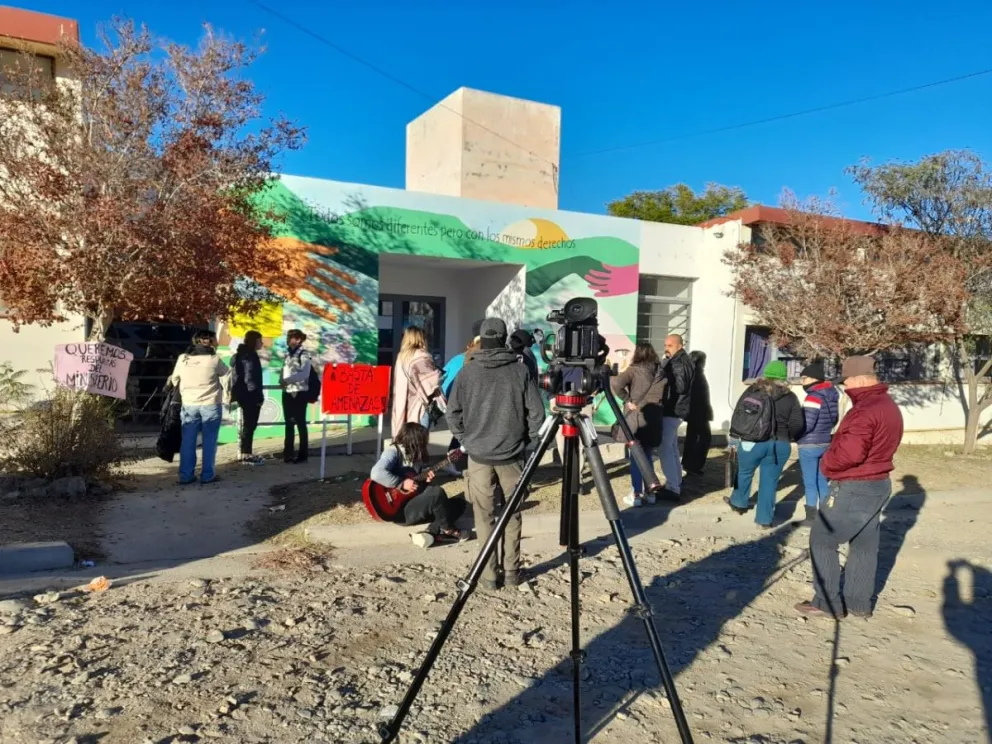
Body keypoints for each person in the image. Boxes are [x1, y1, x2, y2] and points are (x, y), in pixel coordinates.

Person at [796, 356, 903, 620]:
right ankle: (858, 602)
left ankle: (827, 603)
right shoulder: (888, 405)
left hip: (855, 485)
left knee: (822, 540)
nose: (844, 387)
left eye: (847, 381)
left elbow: (851, 454)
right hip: (879, 482)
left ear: (860, 379)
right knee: (864, 544)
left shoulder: (864, 410)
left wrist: (827, 464)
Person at [447, 317, 545, 590]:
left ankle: (489, 575)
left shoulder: (467, 372)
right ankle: (512, 572)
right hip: (512, 455)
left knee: (483, 517)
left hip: (478, 456)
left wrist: (465, 440)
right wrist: (528, 441)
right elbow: (537, 414)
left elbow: (452, 413)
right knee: (512, 513)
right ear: (503, 338)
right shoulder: (519, 371)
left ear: (481, 339)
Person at [726, 360, 804, 528]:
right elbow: (797, 423)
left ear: (765, 374)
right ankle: (764, 520)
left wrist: (735, 436)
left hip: (752, 442)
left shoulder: (753, 390)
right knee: (769, 482)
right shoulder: (790, 397)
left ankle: (738, 503)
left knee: (744, 472)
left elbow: (739, 413)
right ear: (784, 377)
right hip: (779, 444)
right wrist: (789, 436)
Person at [369, 422, 471, 547]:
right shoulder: (393, 452)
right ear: (415, 440)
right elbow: (376, 473)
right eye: (424, 439)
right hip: (400, 511)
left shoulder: (416, 456)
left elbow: (415, 489)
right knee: (436, 492)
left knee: (459, 504)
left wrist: (425, 480)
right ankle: (448, 530)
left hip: (413, 504)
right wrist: (400, 483)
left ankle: (431, 532)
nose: (426, 443)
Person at [169, 330, 230, 485]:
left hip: (189, 404)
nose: (217, 342)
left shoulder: (183, 359)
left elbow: (175, 379)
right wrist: (227, 396)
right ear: (207, 341)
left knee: (188, 441)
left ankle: (186, 475)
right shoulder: (214, 360)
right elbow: (227, 376)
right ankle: (207, 475)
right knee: (209, 441)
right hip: (211, 404)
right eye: (214, 339)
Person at [611, 342, 665, 507]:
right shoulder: (661, 371)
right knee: (647, 455)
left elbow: (616, 384)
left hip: (637, 417)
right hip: (655, 417)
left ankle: (636, 494)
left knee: (636, 456)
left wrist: (627, 400)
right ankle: (650, 493)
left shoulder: (634, 370)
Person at [796, 360, 840, 524]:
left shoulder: (812, 397)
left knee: (809, 482)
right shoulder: (831, 396)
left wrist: (796, 435)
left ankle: (811, 518)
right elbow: (834, 419)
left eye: (804, 378)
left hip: (809, 444)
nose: (802, 382)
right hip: (825, 442)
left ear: (814, 379)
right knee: (822, 479)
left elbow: (807, 424)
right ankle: (826, 515)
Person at [658, 334, 694, 500]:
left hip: (673, 409)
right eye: (666, 345)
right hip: (676, 409)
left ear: (680, 346)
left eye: (670, 345)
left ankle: (673, 488)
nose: (667, 348)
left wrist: (665, 375)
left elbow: (680, 387)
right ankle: (676, 482)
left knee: (665, 448)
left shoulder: (678, 363)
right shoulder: (680, 360)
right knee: (671, 447)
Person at [391, 326, 444, 436]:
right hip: (419, 407)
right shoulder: (421, 356)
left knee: (407, 439)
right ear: (421, 338)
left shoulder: (401, 357)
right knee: (419, 440)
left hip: (405, 404)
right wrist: (439, 373)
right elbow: (431, 382)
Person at [232, 330, 265, 466]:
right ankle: (246, 454)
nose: (262, 343)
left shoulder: (240, 354)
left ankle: (245, 453)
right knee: (250, 425)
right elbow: (250, 376)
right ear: (254, 341)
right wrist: (258, 396)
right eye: (260, 341)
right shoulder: (249, 356)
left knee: (248, 425)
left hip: (242, 393)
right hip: (250, 395)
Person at [281, 329, 311, 464]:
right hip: (287, 391)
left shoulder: (304, 354)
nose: (289, 340)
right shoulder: (287, 354)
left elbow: (305, 373)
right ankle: (288, 453)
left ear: (298, 340)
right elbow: (284, 369)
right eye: (288, 337)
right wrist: (281, 380)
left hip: (300, 392)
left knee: (300, 423)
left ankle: (303, 454)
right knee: (289, 423)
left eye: (291, 337)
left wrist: (288, 380)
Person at [681, 350, 713, 477]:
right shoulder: (696, 374)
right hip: (698, 412)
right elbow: (698, 395)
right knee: (704, 438)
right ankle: (694, 465)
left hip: (695, 412)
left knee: (692, 437)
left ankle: (688, 463)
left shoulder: (691, 372)